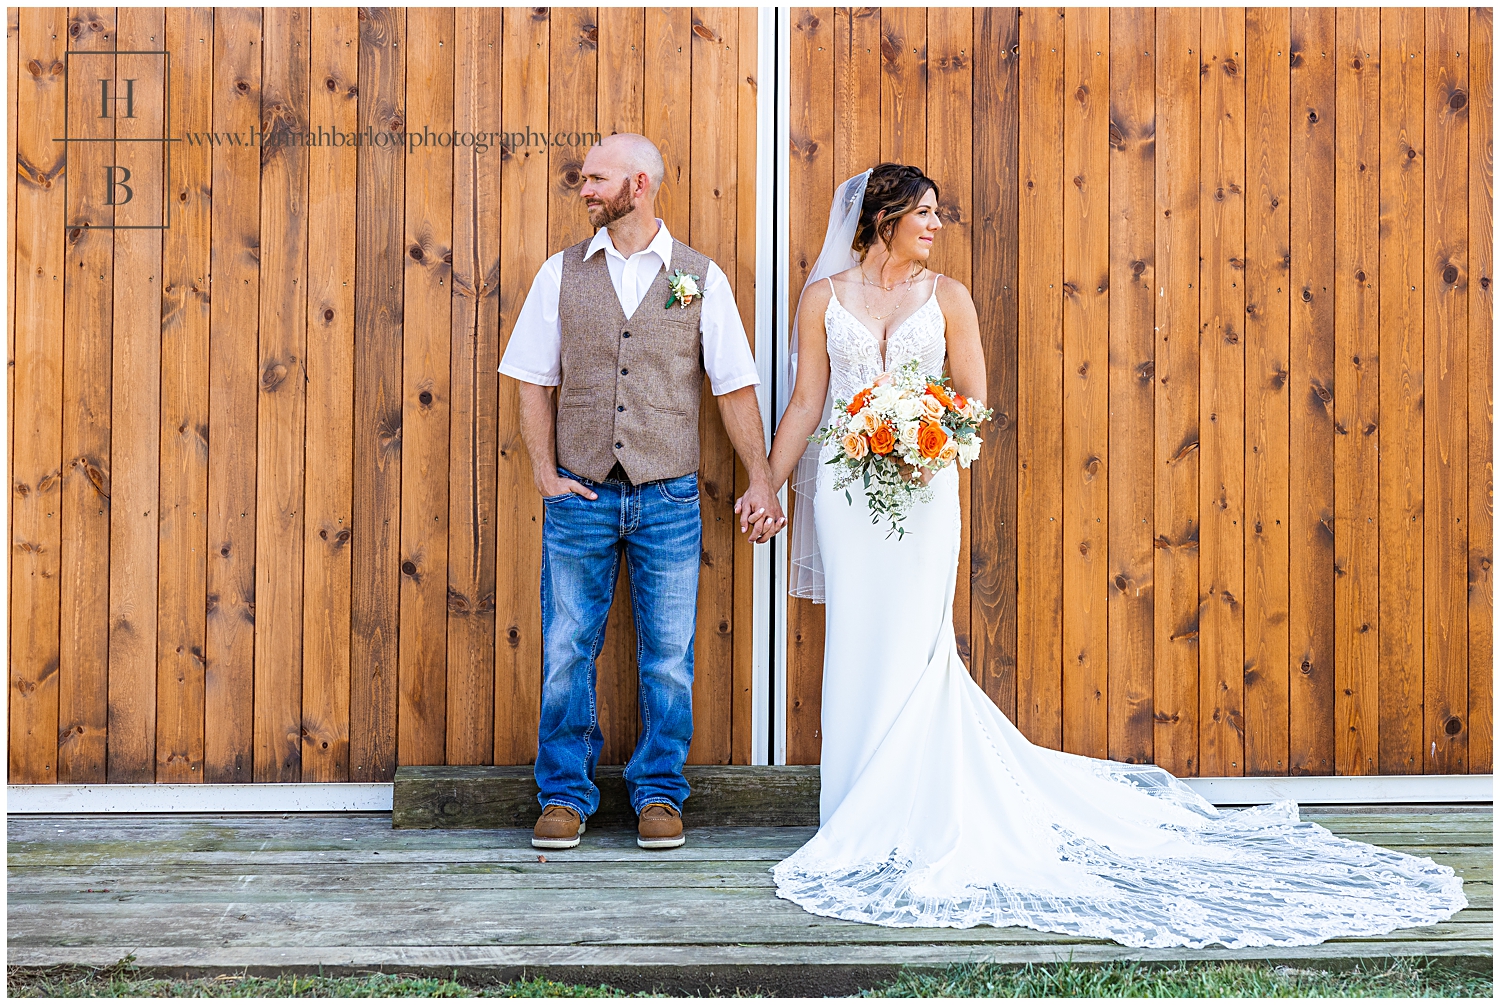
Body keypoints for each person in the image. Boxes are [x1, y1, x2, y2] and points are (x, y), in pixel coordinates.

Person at [745, 162, 1467, 948]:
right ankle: (855, 811)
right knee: (858, 643)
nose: (936, 225)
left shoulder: (948, 298)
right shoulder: (825, 298)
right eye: (923, 213)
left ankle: (917, 807)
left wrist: (930, 439)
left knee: (920, 648)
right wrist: (769, 485)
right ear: (881, 217)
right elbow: (810, 402)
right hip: (850, 497)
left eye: (938, 214)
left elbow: (973, 403)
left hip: (922, 496)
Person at [500, 133, 784, 853]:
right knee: (568, 647)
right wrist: (544, 471)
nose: (585, 188)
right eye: (585, 178)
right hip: (580, 496)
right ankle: (564, 795)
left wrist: (761, 476)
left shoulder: (697, 277)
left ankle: (660, 794)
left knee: (667, 654)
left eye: (597, 178)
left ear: (640, 183)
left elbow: (734, 385)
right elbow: (533, 379)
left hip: (669, 498)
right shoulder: (560, 273)